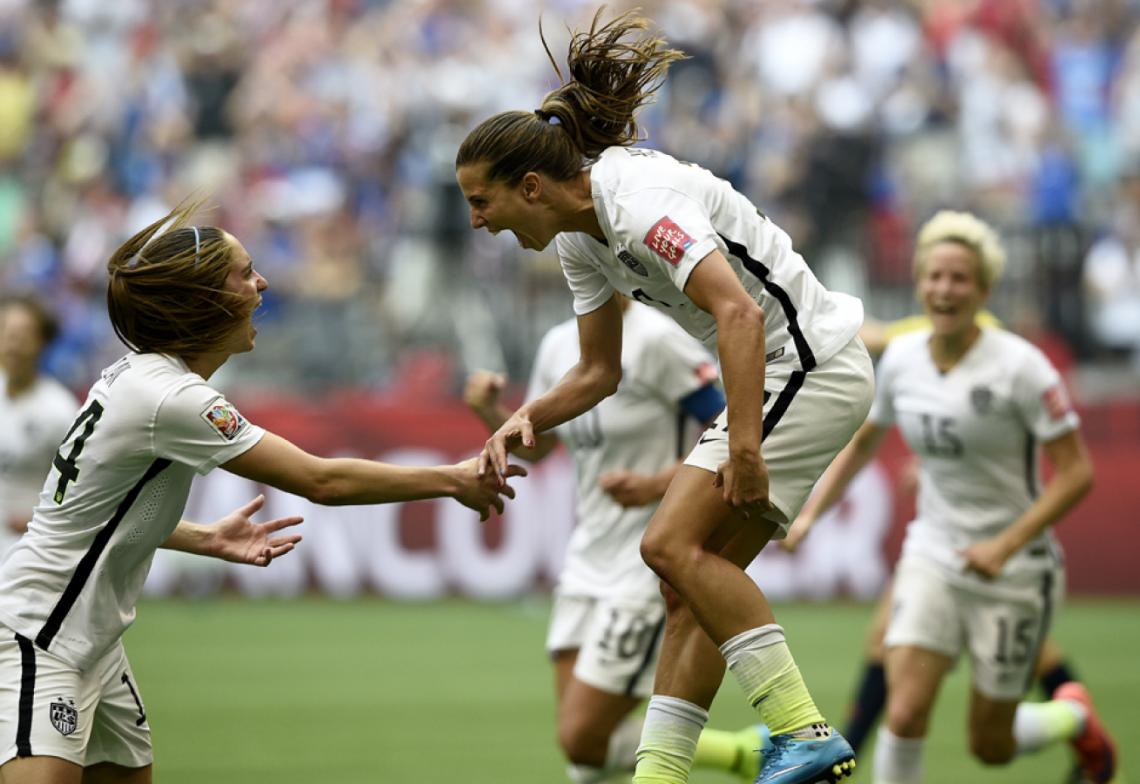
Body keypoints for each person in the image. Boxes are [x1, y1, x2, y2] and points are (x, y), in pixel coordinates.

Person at [455, 10, 872, 783]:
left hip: (810, 363)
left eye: (482, 201)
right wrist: (525, 417)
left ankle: (803, 728)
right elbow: (596, 373)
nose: (477, 222)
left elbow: (740, 314)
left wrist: (743, 448)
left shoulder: (637, 200)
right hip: (784, 369)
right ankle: (661, 776)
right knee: (686, 588)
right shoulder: (582, 239)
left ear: (533, 186)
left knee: (665, 546)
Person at [0, 202, 524, 784]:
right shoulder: (174, 397)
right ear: (204, 301)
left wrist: (204, 537)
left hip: (92, 645)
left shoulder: (137, 376)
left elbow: (92, 517)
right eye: (245, 272)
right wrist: (453, 479)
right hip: (39, 636)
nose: (263, 282)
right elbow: (321, 480)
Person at [785, 210, 1116, 783]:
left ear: (984, 290)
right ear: (918, 283)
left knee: (989, 745)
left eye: (959, 278)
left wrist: (1004, 546)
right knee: (907, 709)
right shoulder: (904, 361)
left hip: (1012, 570)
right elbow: (864, 442)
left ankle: (1071, 717)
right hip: (932, 554)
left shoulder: (1022, 368)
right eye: (933, 276)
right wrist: (809, 515)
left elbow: (1076, 474)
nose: (944, 289)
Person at [466, 296, 767, 784]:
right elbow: (540, 450)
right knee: (585, 757)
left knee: (583, 737)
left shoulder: (658, 340)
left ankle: (740, 754)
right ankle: (743, 753)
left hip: (646, 560)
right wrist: (490, 412)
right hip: (587, 555)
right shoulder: (558, 344)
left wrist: (656, 484)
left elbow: (731, 429)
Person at [0, 295, 80, 559]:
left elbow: (77, 487)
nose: (13, 345)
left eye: (23, 337)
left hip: (25, 544)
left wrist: (36, 517)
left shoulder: (60, 410)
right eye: (7, 334)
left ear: (42, 343)